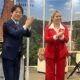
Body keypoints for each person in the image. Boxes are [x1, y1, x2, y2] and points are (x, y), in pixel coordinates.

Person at [1, 4, 34, 80]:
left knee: (16, 78)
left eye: (20, 12)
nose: (18, 14)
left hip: (17, 56)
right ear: (11, 13)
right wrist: (26, 25)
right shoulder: (7, 24)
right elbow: (15, 33)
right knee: (10, 78)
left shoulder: (20, 25)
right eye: (16, 12)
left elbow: (28, 34)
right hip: (8, 56)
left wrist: (29, 25)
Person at [44, 10, 69, 80]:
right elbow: (46, 39)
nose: (59, 18)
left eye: (60, 16)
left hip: (61, 54)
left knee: (60, 74)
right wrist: (55, 36)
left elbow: (67, 40)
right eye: (57, 16)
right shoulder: (48, 27)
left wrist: (62, 37)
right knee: (49, 74)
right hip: (50, 53)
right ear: (52, 18)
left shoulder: (64, 27)